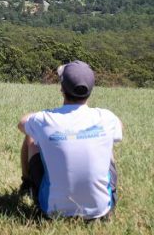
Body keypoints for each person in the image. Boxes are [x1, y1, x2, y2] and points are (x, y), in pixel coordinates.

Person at [18, 60, 123, 220]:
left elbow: (22, 123)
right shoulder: (106, 118)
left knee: (31, 135)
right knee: (107, 141)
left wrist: (40, 115)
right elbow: (120, 127)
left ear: (62, 88)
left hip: (52, 210)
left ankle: (27, 183)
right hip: (101, 209)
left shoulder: (44, 119)